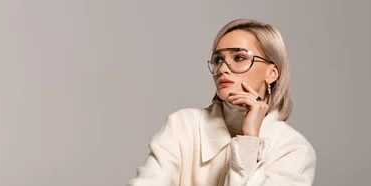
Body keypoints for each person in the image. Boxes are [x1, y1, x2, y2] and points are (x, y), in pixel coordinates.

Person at [127, 19, 316, 186]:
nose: (223, 69)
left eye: (239, 57)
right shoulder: (182, 125)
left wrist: (250, 141)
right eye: (218, 59)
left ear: (272, 73)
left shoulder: (292, 148)